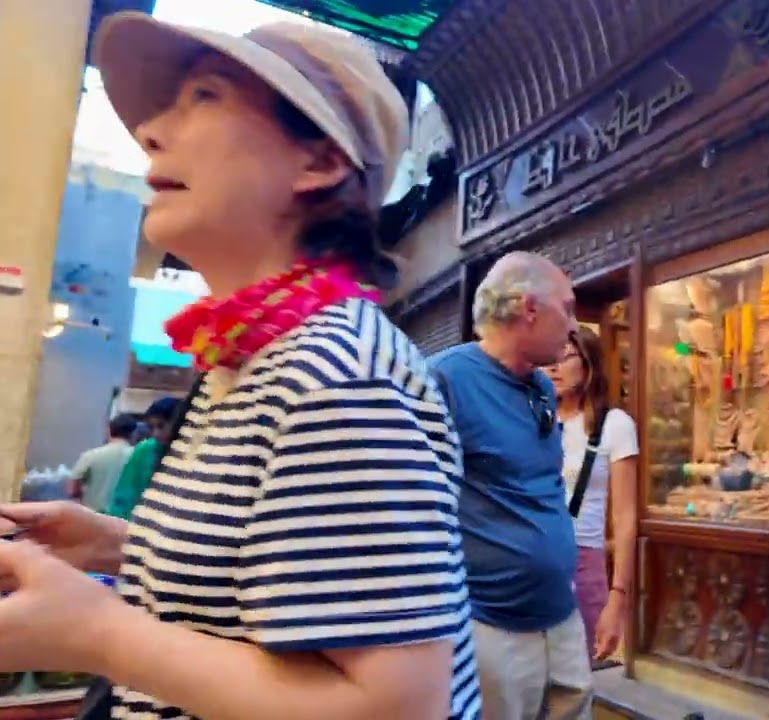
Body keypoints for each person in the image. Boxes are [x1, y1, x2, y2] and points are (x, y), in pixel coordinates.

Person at [0, 13, 478, 720]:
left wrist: (96, 633)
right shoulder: (251, 359)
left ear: (318, 163)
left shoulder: (337, 373)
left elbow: (399, 708)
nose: (151, 132)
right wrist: (121, 546)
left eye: (206, 98)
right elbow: (275, 583)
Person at [428, 251, 591, 720]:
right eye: (569, 307)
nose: (575, 325)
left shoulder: (541, 387)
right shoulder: (444, 380)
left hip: (560, 613)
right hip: (491, 624)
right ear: (529, 308)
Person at [543, 327, 638, 662]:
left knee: (575, 676)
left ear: (588, 364)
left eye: (565, 357)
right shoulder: (536, 421)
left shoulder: (614, 424)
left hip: (584, 562)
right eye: (548, 358)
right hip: (534, 559)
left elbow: (625, 519)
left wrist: (618, 598)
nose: (553, 367)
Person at [104, 396, 178, 520]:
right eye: (151, 427)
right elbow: (125, 495)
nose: (156, 434)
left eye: (161, 426)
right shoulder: (145, 450)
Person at [67, 414, 138, 513]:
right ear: (134, 433)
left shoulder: (90, 455)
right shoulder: (138, 457)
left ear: (108, 431)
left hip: (92, 518)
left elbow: (72, 489)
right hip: (123, 520)